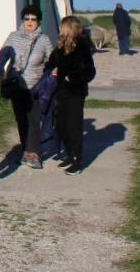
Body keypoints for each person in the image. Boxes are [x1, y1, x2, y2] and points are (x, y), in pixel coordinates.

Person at [0, 4, 54, 169]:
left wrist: (50, 75)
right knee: (21, 119)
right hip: (17, 85)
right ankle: (26, 149)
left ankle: (34, 152)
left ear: (38, 21)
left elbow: (51, 60)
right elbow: (4, 54)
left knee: (34, 120)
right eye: (26, 18)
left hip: (36, 85)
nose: (29, 22)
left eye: (33, 19)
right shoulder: (13, 37)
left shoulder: (44, 40)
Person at [45, 15, 96, 175]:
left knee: (74, 127)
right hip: (61, 91)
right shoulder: (60, 46)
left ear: (68, 28)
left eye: (62, 27)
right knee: (60, 126)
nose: (60, 29)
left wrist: (72, 77)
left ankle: (78, 160)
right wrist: (51, 69)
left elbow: (90, 71)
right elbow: (51, 62)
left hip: (75, 92)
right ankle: (69, 153)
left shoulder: (82, 45)